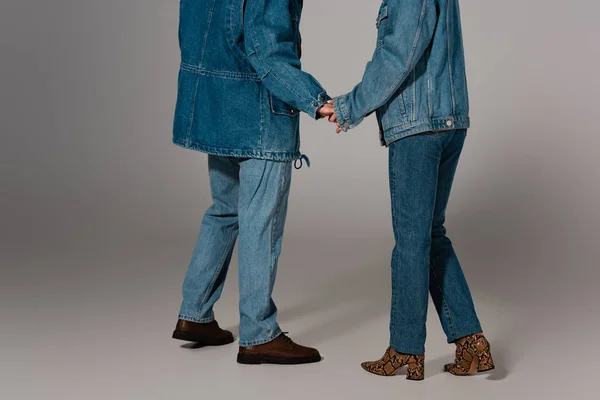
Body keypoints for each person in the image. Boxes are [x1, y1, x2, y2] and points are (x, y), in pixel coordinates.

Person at [330, 0, 494, 380]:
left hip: (419, 125)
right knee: (431, 236)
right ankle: (472, 343)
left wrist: (349, 106)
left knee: (410, 242)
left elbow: (397, 55)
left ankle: (405, 350)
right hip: (450, 119)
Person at [171, 0, 334, 365]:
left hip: (214, 105)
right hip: (258, 115)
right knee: (261, 220)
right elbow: (267, 53)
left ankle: (194, 313)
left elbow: (190, 37)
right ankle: (259, 333)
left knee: (225, 212)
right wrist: (317, 101)